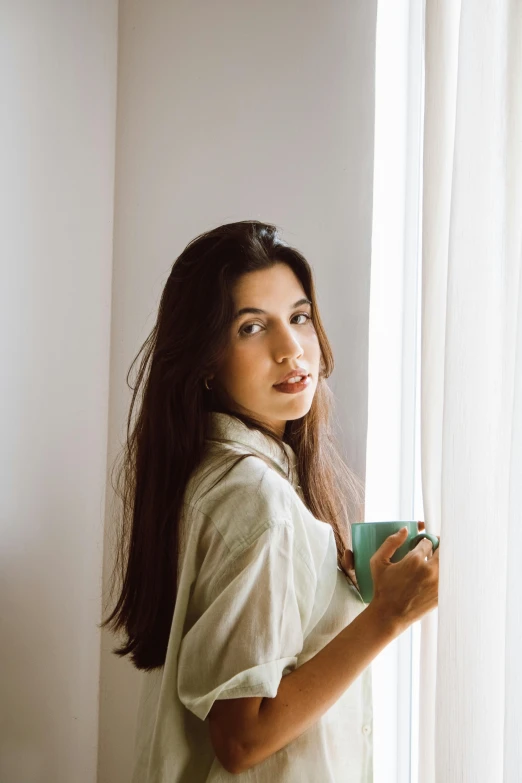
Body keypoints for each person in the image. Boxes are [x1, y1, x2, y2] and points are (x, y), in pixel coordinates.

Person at [100, 220, 440, 782]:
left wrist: (330, 591)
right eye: (252, 327)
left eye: (299, 317)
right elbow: (240, 739)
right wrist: (384, 617)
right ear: (206, 358)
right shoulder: (260, 502)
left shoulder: (215, 476)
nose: (290, 349)